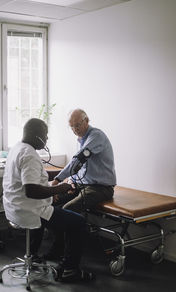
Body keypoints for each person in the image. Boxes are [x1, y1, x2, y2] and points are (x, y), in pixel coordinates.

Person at [2, 118, 94, 282]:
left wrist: (51, 190)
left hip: (15, 208)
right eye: (45, 135)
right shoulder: (29, 155)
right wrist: (61, 188)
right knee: (78, 222)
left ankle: (38, 255)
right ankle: (70, 270)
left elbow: (32, 184)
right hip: (31, 211)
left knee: (60, 211)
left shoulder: (17, 148)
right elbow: (32, 190)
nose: (46, 139)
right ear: (37, 136)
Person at [46, 108, 116, 259]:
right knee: (51, 206)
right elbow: (81, 168)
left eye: (77, 125)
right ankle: (58, 249)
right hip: (83, 185)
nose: (74, 130)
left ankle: (69, 257)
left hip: (101, 188)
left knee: (67, 209)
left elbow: (78, 160)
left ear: (87, 121)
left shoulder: (96, 136)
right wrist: (71, 181)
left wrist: (58, 180)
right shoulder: (82, 139)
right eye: (71, 126)